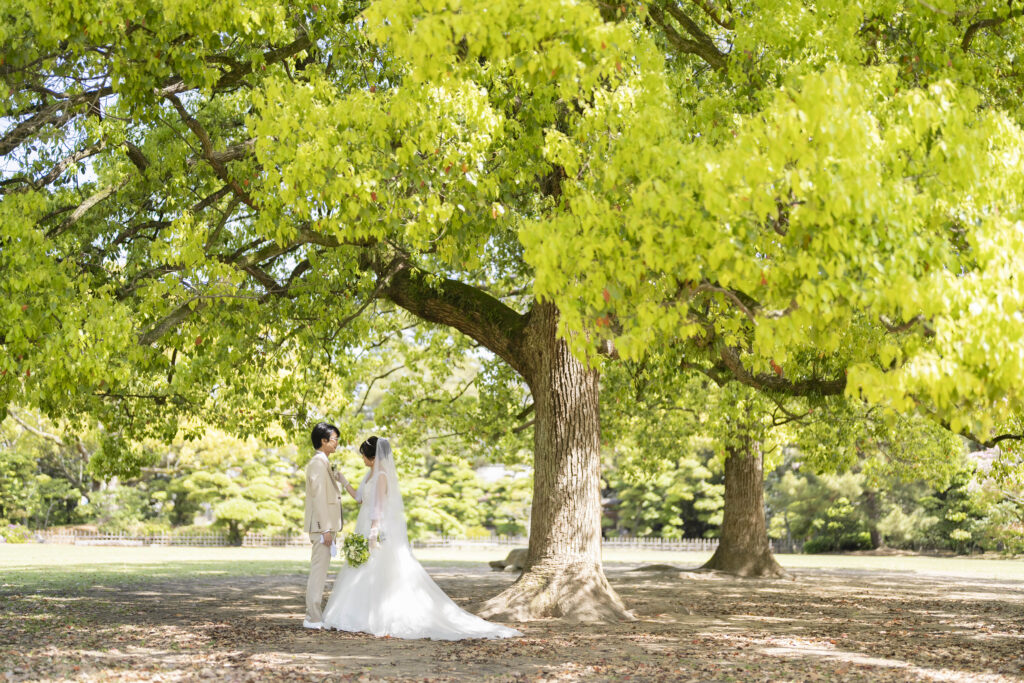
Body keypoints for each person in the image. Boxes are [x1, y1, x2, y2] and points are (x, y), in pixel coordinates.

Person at [322, 436, 522, 640]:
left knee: (378, 567)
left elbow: (379, 506)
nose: (362, 458)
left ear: (373, 457)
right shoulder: (369, 474)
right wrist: (343, 480)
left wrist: (374, 532)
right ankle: (357, 613)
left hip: (376, 527)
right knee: (361, 567)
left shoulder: (382, 475)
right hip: (363, 524)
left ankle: (377, 615)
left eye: (364, 455)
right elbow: (360, 498)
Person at [303, 422, 344, 630]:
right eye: (334, 439)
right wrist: (325, 528)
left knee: (321, 570)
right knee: (318, 572)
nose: (337, 442)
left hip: (325, 526)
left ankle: (315, 616)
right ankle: (312, 617)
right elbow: (318, 496)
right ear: (323, 440)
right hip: (322, 527)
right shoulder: (318, 463)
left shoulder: (324, 462)